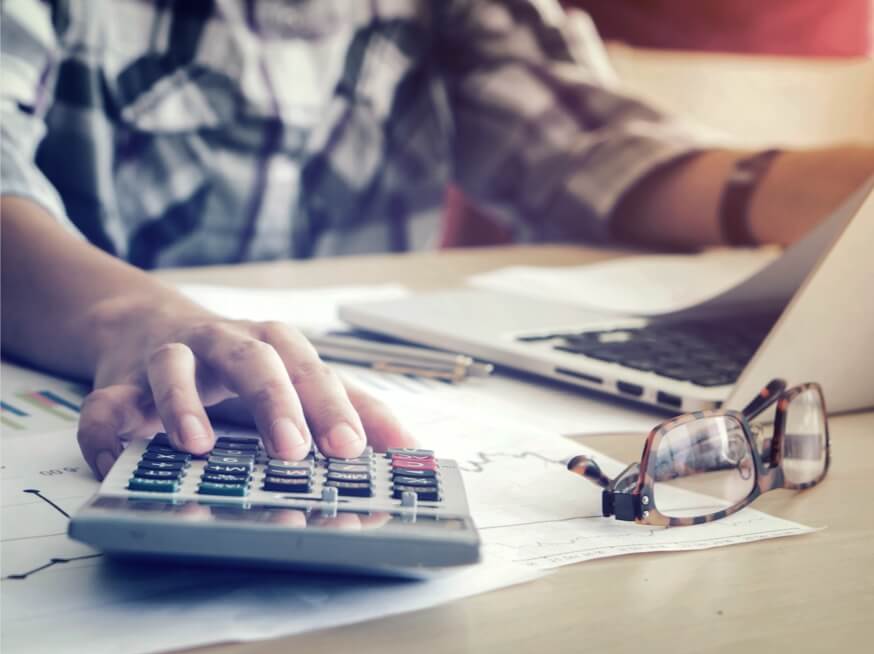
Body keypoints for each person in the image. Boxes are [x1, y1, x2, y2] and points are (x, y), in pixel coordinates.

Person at [2, 0, 872, 480]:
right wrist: (134, 319)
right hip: (87, 380)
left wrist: (841, 188)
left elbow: (592, 145)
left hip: (367, 381)